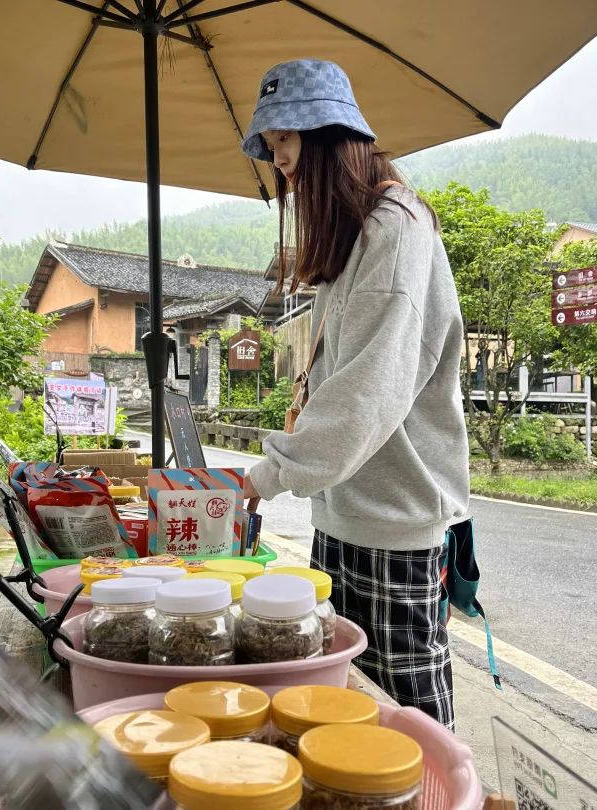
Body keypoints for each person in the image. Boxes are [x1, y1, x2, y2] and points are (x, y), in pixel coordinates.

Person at [240, 59, 470, 729]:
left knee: (409, 729)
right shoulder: (363, 230)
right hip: (353, 513)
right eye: (272, 147)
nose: (279, 162)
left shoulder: (394, 226)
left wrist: (266, 475)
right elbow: (348, 380)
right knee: (348, 718)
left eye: (286, 142)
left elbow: (367, 393)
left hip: (394, 523)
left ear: (328, 135)